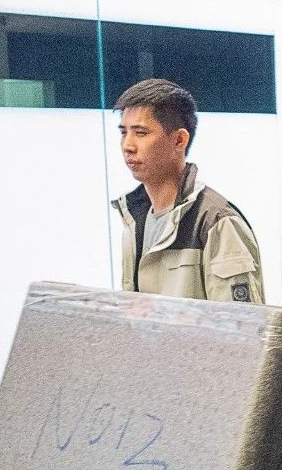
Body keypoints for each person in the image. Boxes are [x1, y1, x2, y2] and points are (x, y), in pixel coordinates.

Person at [111, 78, 265, 303]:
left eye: (141, 133)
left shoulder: (216, 222)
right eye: (124, 132)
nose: (128, 146)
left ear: (179, 140)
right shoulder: (134, 218)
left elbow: (240, 323)